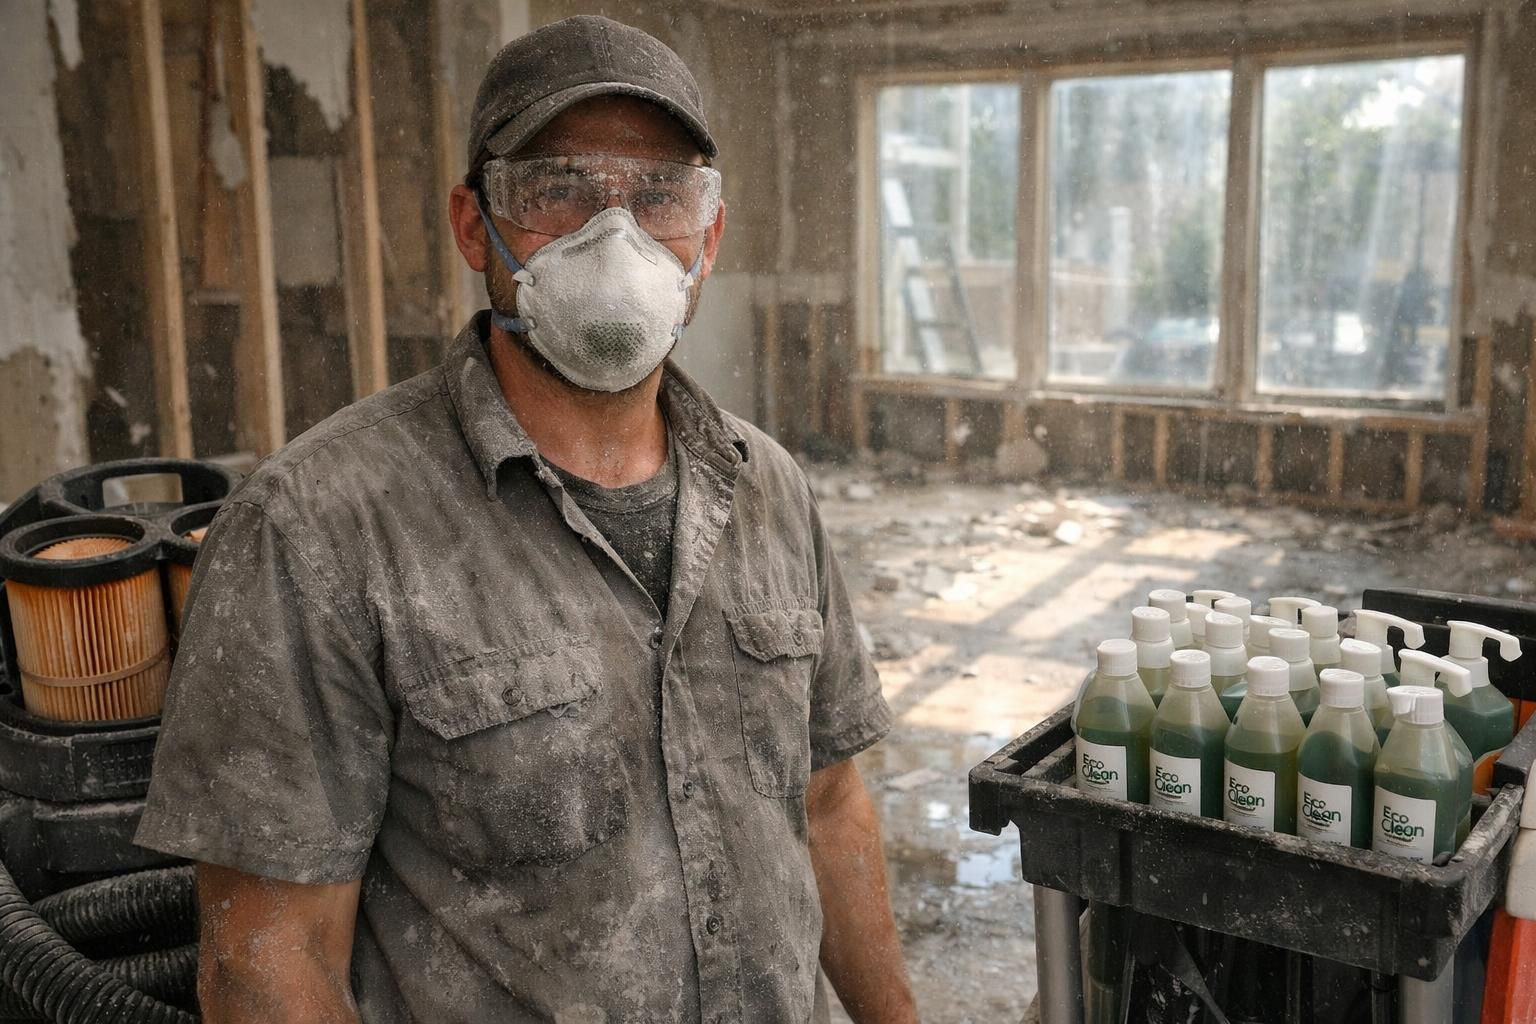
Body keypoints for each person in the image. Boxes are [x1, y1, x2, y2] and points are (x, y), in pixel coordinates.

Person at [136, 15, 918, 1024]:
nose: (616, 236)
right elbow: (267, 958)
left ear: (709, 237)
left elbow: (827, 803)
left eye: (659, 194)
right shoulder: (317, 530)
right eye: (559, 189)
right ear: (475, 225)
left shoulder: (766, 487)